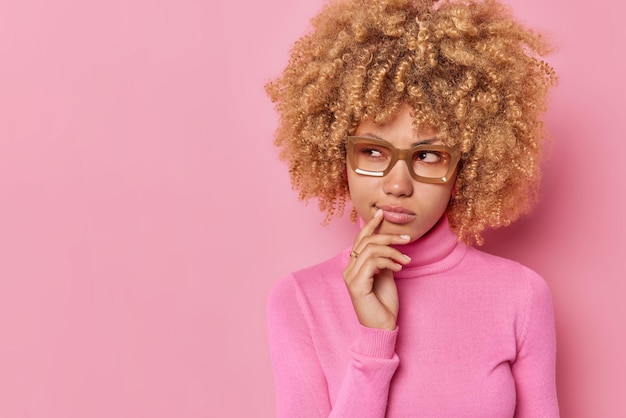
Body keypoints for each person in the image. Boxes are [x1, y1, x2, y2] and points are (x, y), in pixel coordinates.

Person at [265, 0, 559, 416]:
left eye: (427, 156)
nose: (398, 184)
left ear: (464, 169)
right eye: (371, 150)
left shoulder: (522, 296)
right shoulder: (299, 300)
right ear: (337, 157)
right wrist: (375, 342)